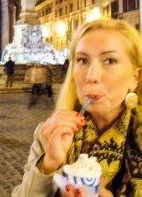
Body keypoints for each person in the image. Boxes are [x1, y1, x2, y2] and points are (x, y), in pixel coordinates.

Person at [12, 19, 142, 196]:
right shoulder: (50, 133)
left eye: (109, 60)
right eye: (82, 60)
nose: (91, 75)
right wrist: (49, 164)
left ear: (135, 78)